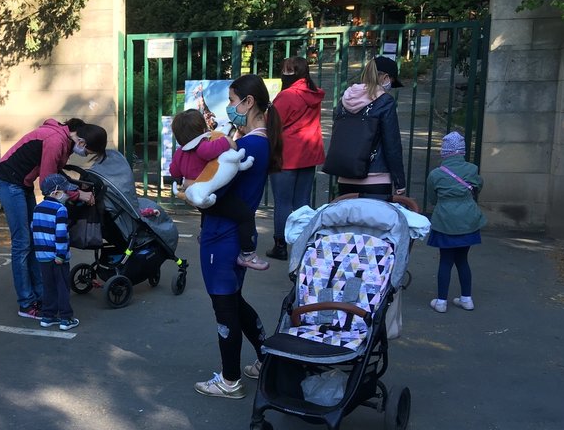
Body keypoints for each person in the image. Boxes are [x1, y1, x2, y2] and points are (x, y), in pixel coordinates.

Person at [193, 74, 283, 399]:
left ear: (248, 102)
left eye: (232, 101)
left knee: (225, 309)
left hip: (223, 238)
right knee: (234, 302)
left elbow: (216, 191)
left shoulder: (247, 146)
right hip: (231, 237)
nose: (230, 108)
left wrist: (193, 187)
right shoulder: (258, 142)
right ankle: (266, 358)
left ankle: (229, 380)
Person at [0, 118, 101, 319]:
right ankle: (26, 303)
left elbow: (56, 173)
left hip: (21, 184)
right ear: (83, 143)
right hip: (8, 182)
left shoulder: (65, 141)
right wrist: (78, 195)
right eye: (88, 152)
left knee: (35, 239)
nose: (85, 155)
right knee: (22, 243)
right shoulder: (55, 141)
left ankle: (42, 297)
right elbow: (48, 183)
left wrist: (77, 187)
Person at [169, 108, 266, 270]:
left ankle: (203, 234)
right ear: (202, 129)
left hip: (197, 196)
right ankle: (247, 253)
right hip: (214, 194)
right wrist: (226, 141)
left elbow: (174, 171)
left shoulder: (180, 153)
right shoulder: (202, 146)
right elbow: (209, 152)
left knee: (206, 211)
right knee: (245, 215)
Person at [266, 56, 326, 261]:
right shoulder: (313, 93)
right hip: (308, 153)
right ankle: (304, 244)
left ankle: (280, 246)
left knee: (283, 202)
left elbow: (272, 124)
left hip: (287, 154)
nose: (285, 74)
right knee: (303, 202)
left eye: (288, 70)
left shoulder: (287, 96)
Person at [427, 132, 486, 313]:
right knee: (462, 260)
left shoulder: (436, 174)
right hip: (467, 220)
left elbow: (432, 199)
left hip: (445, 220)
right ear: (462, 151)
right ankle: (466, 299)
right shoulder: (472, 169)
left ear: (444, 152)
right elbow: (479, 186)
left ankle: (441, 302)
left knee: (445, 260)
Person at [333, 55, 407, 199]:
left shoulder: (345, 98)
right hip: (376, 178)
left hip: (345, 176)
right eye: (391, 81)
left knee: (349, 221)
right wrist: (399, 181)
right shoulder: (385, 101)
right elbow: (392, 144)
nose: (390, 86)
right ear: (385, 77)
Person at [31, 173, 80, 331]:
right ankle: (66, 318)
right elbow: (60, 234)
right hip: (57, 257)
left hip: (42, 256)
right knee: (62, 287)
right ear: (56, 192)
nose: (68, 195)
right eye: (65, 192)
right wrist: (60, 254)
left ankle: (47, 316)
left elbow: (34, 228)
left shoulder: (37, 208)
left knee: (48, 286)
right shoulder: (60, 209)